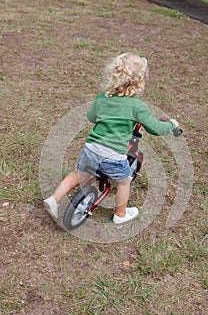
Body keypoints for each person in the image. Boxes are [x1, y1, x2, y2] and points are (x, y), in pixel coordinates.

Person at [44, 52, 179, 224]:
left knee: (77, 174)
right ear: (139, 81)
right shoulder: (137, 106)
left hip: (91, 149)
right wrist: (172, 124)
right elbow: (156, 128)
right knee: (124, 181)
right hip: (113, 156)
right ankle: (120, 214)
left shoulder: (102, 98)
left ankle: (54, 199)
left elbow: (92, 117)